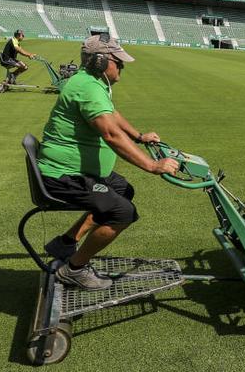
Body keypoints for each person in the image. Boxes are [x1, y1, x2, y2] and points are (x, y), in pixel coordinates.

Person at [36, 34, 179, 291]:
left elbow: (111, 113)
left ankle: (67, 242)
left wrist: (138, 136)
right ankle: (75, 270)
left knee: (123, 190)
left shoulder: (91, 82)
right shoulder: (88, 88)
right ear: (100, 62)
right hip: (64, 176)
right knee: (122, 212)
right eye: (118, 62)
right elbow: (111, 134)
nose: (121, 66)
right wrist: (152, 165)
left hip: (76, 171)